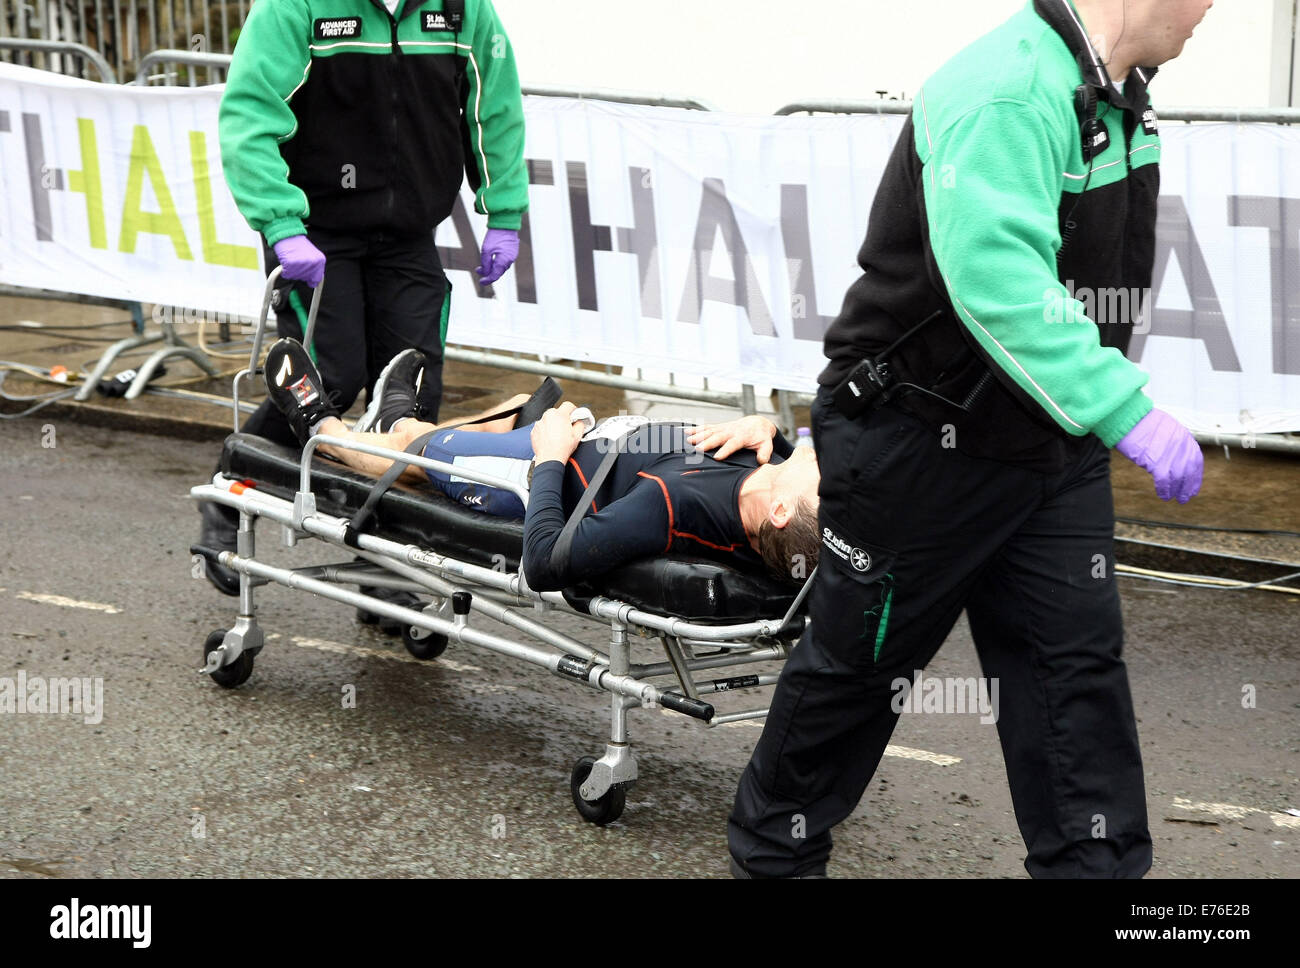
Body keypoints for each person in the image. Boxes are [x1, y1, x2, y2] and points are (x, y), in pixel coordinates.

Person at [728, 0, 1212, 879]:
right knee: (858, 671)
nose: (1218, 5)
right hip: (916, 436)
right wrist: (1126, 408)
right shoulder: (1010, 92)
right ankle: (774, 853)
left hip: (1044, 443)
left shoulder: (1115, 94)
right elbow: (998, 282)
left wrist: (1092, 406)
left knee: (1074, 677)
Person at [197, 0, 529, 630]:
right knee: (332, 378)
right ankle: (231, 487)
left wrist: (504, 209)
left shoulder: (462, 11)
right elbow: (249, 116)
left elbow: (495, 108)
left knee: (411, 396)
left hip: (407, 235)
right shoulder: (298, 8)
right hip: (314, 232)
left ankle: (387, 568)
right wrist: (279, 222)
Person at [261, 337, 822, 589]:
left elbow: (547, 563)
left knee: (414, 453)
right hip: (591, 437)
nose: (830, 468)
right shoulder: (771, 460)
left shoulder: (670, 507)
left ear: (776, 511)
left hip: (537, 474)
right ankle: (405, 416)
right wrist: (768, 426)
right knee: (515, 411)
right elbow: (801, 485)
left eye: (826, 489)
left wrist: (549, 457)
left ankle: (326, 429)